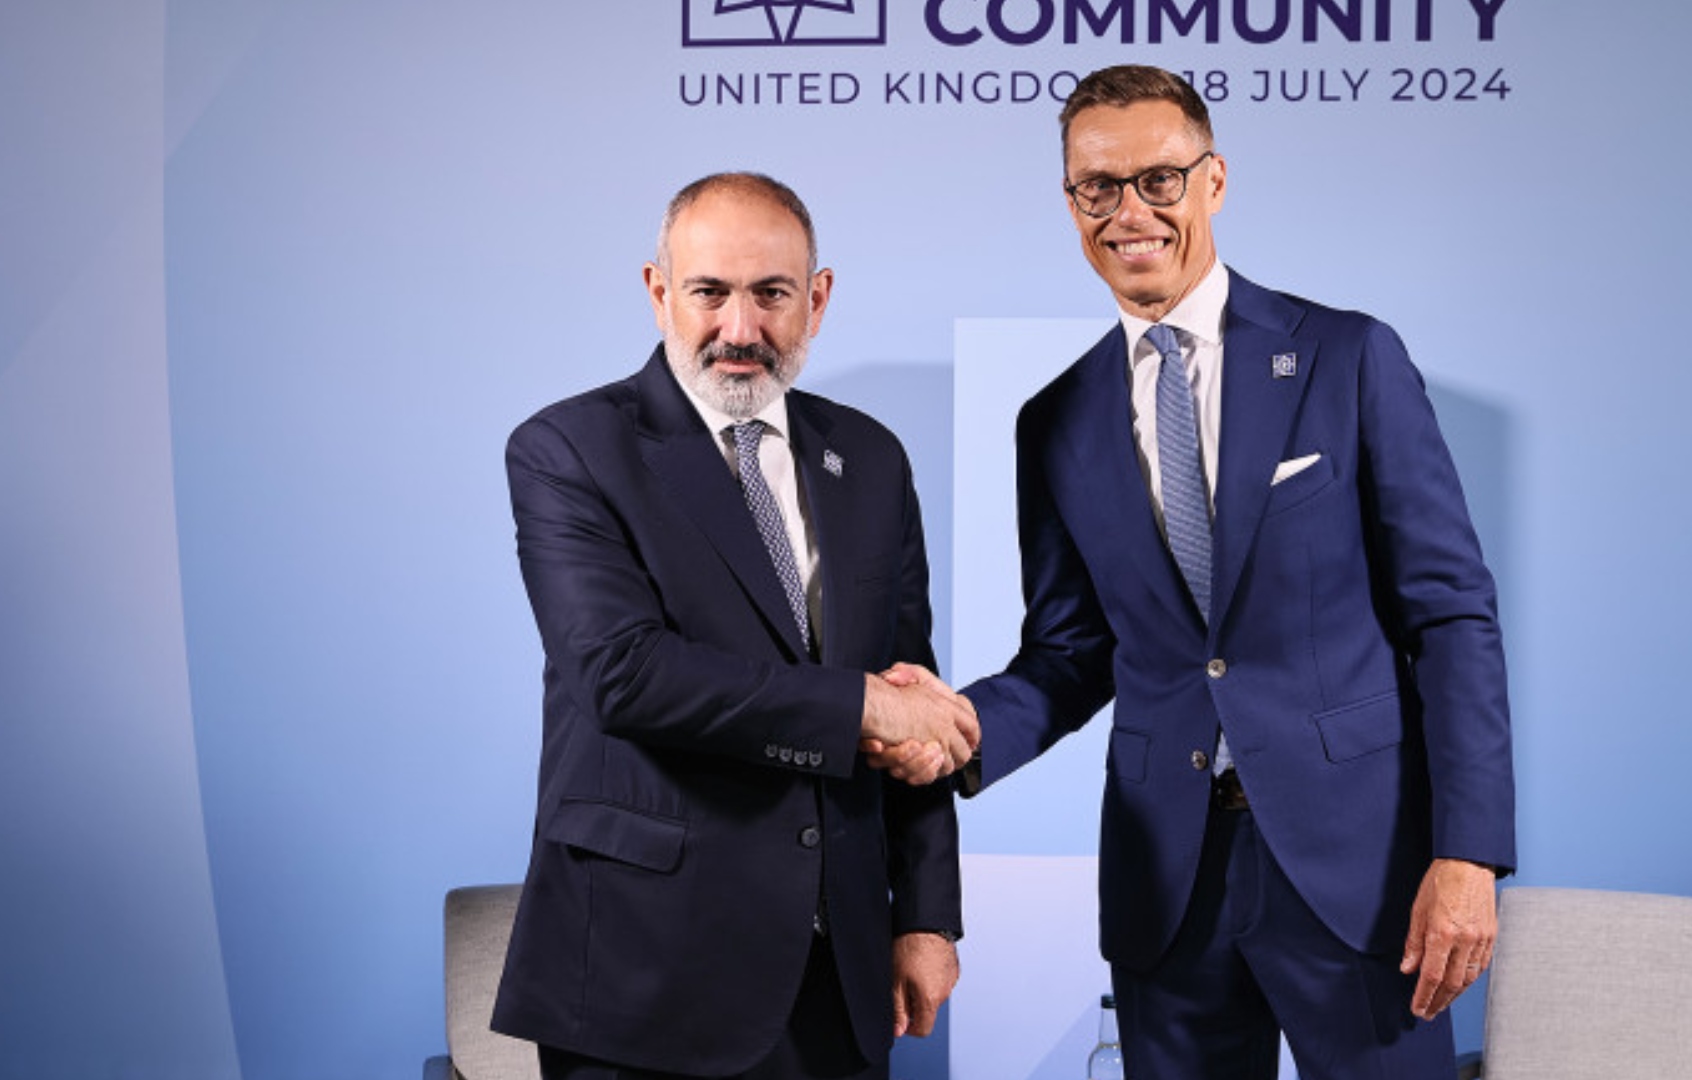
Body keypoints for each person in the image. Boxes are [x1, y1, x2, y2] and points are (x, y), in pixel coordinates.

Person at [882, 65, 1515, 1078]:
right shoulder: (1054, 421)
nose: (1130, 212)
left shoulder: (1348, 357)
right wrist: (958, 729)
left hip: (1360, 874)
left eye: (1159, 180)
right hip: (1169, 883)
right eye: (1100, 187)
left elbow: (1451, 616)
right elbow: (1073, 654)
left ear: (1214, 180)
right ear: (1071, 203)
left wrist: (1468, 852)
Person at [491, 172, 977, 1080]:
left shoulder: (870, 457)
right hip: (644, 978)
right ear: (658, 292)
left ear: (818, 299)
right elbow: (624, 675)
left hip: (840, 977)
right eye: (710, 292)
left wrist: (924, 915)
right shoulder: (568, 449)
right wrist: (863, 706)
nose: (741, 328)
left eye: (772, 294)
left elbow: (912, 686)